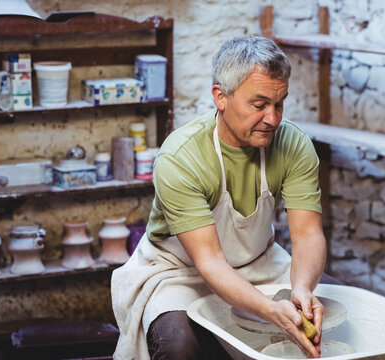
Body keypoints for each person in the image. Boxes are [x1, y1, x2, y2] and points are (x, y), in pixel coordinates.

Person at [111, 35, 341, 360]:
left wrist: (301, 288)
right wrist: (269, 309)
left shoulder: (293, 144)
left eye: (279, 104)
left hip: (258, 263)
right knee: (179, 348)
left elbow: (307, 234)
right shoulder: (181, 157)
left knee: (340, 304)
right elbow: (210, 262)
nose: (273, 119)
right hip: (181, 274)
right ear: (220, 96)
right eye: (259, 105)